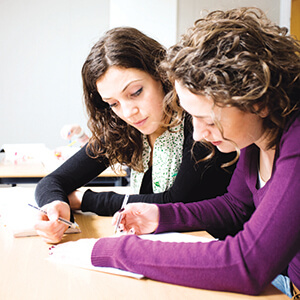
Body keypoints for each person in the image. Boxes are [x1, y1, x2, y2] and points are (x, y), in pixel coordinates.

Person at [49, 8, 300, 297]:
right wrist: (160, 215)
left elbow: (247, 265)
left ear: (258, 100)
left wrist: (112, 251)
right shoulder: (255, 138)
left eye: (208, 119)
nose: (199, 134)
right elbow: (234, 205)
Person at [34, 27, 235, 244]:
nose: (128, 112)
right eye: (114, 104)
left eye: (136, 92)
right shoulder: (125, 128)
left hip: (215, 247)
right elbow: (53, 181)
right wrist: (56, 205)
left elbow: (177, 201)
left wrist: (86, 200)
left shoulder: (198, 122)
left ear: (161, 75)